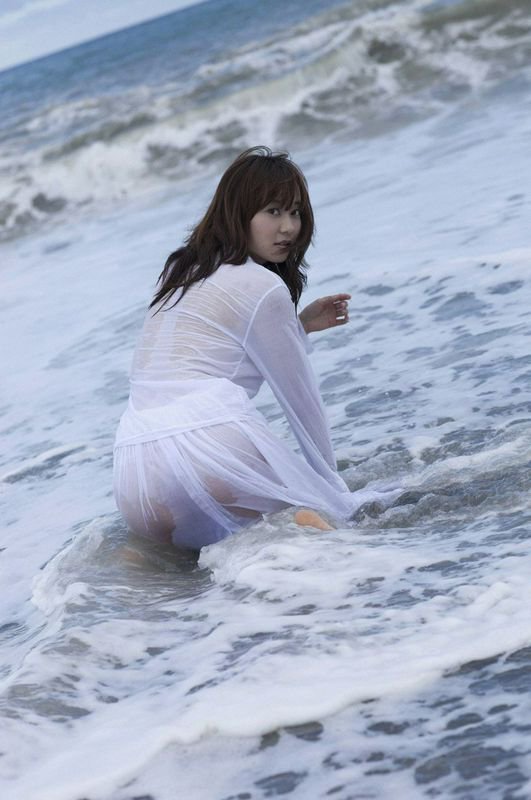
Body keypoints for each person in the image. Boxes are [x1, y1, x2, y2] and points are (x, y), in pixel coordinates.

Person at [113, 146, 360, 550]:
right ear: (238, 211)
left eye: (296, 212)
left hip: (134, 474)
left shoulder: (179, 269)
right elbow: (302, 404)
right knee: (321, 528)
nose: (289, 228)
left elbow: (203, 358)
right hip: (210, 450)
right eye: (273, 211)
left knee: (193, 570)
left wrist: (297, 328)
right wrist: (334, 492)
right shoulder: (264, 286)